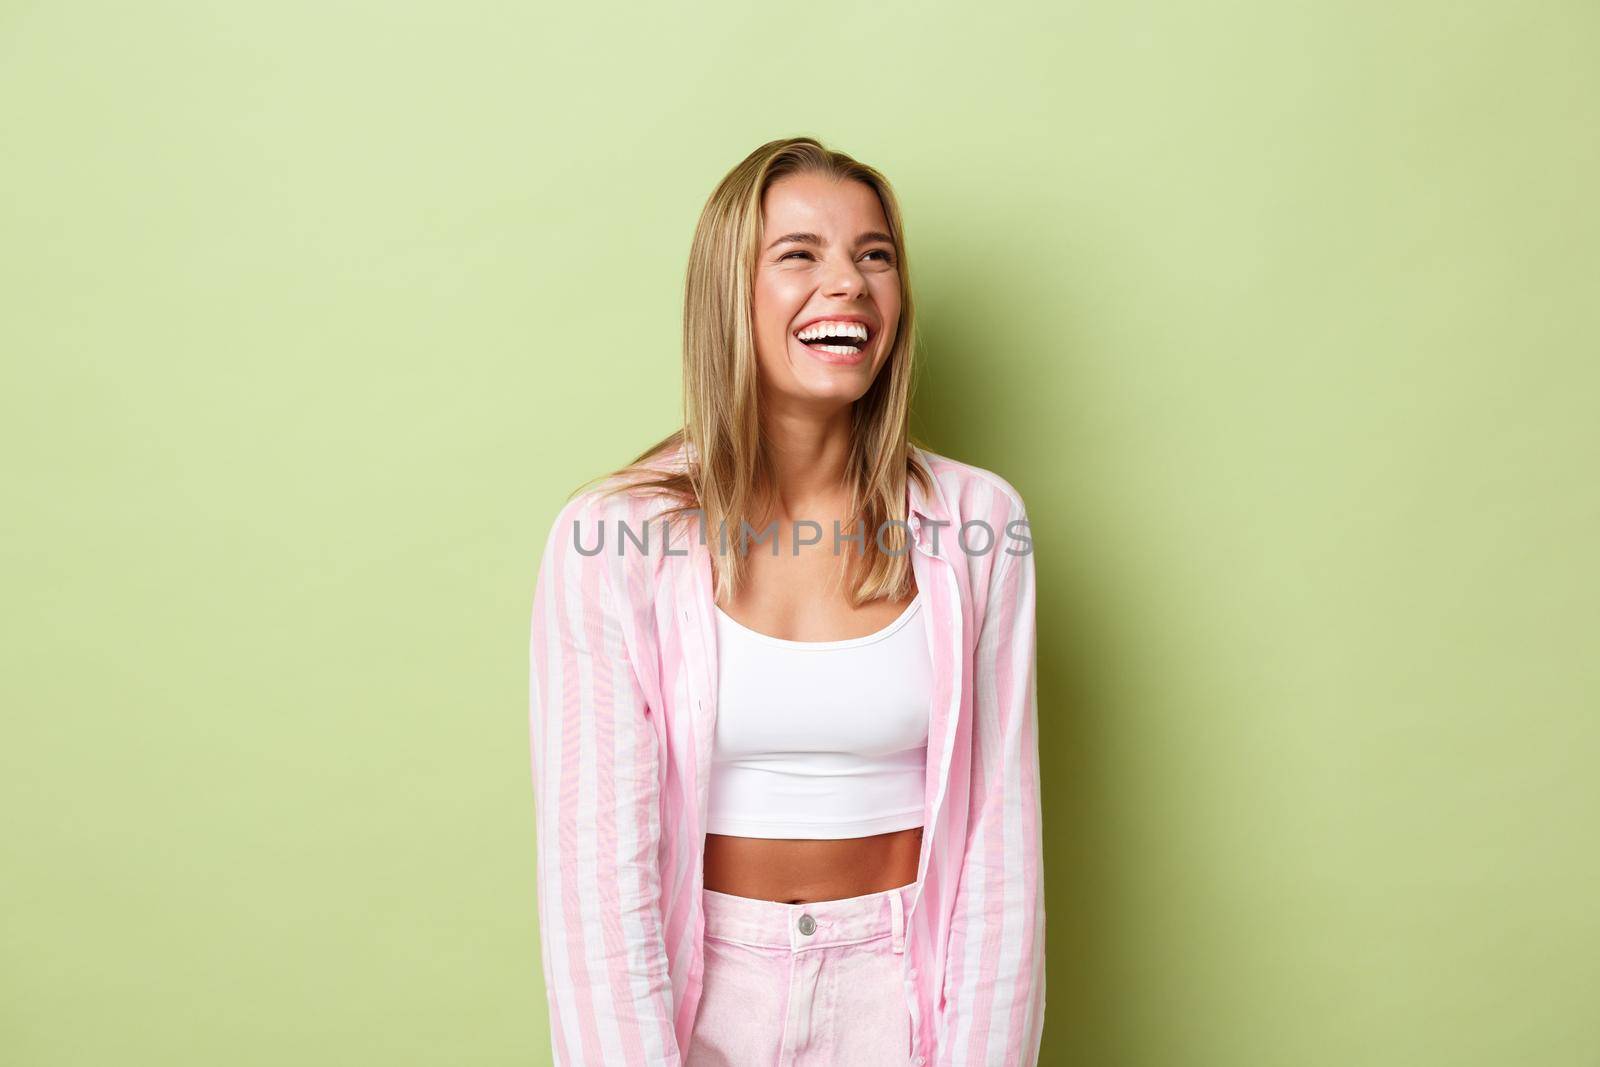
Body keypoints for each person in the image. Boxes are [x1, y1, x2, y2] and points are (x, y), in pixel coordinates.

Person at [528, 136, 1045, 1066]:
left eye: (874, 255)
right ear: (731, 292)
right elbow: (595, 886)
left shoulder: (978, 524)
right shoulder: (613, 537)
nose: (846, 281)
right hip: (701, 993)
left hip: (901, 995)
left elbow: (999, 860)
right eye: (800, 254)